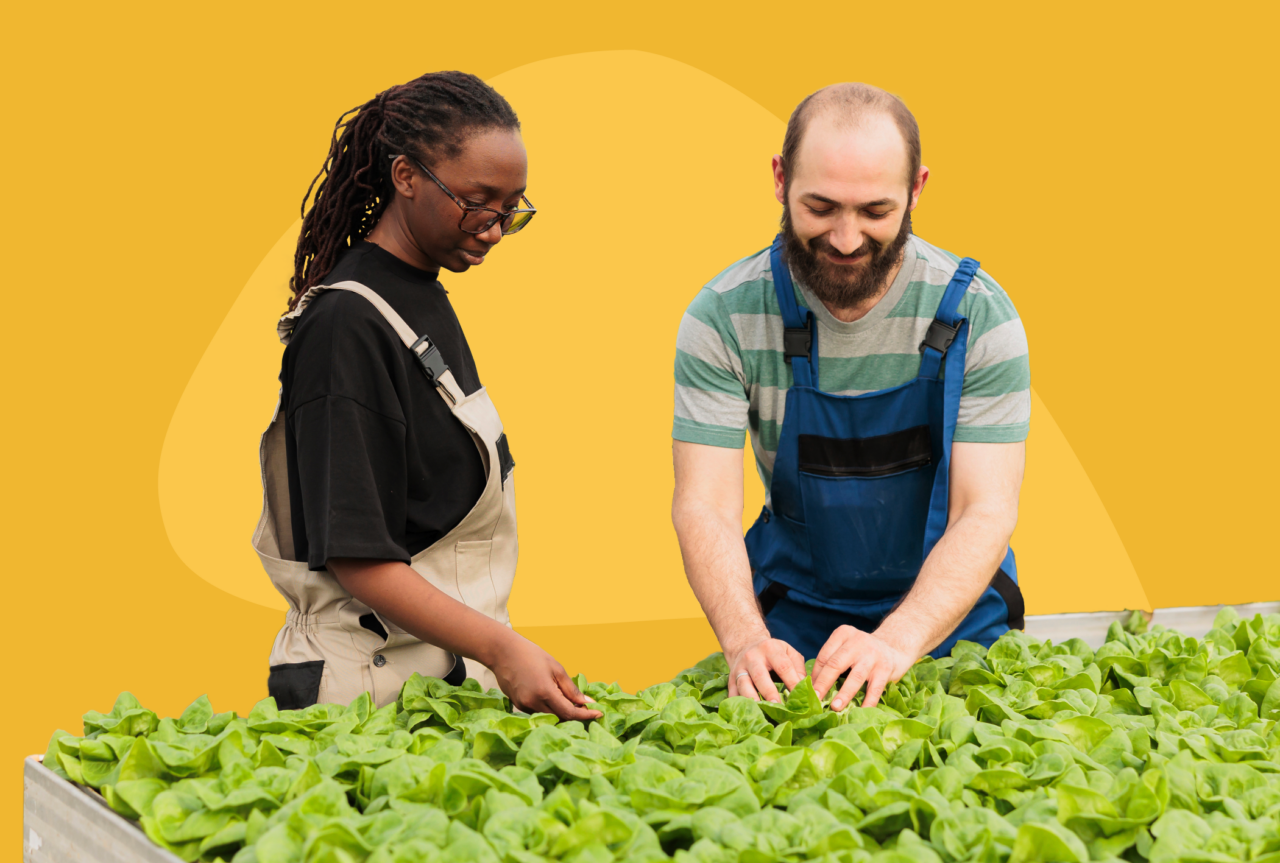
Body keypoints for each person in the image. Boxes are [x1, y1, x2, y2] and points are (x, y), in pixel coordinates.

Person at [251, 71, 599, 722]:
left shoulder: (419, 296)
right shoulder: (345, 328)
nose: (495, 227)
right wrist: (501, 647)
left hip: (438, 683)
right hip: (366, 699)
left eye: (512, 208)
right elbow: (358, 557)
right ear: (405, 176)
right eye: (477, 201)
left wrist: (497, 653)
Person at [671, 83, 1029, 712]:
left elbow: (986, 510)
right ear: (780, 180)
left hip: (953, 620)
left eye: (874, 211)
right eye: (821, 207)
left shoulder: (979, 314)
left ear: (916, 190)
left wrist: (896, 642)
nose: (844, 238)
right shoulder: (725, 316)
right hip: (795, 617)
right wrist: (745, 639)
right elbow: (705, 506)